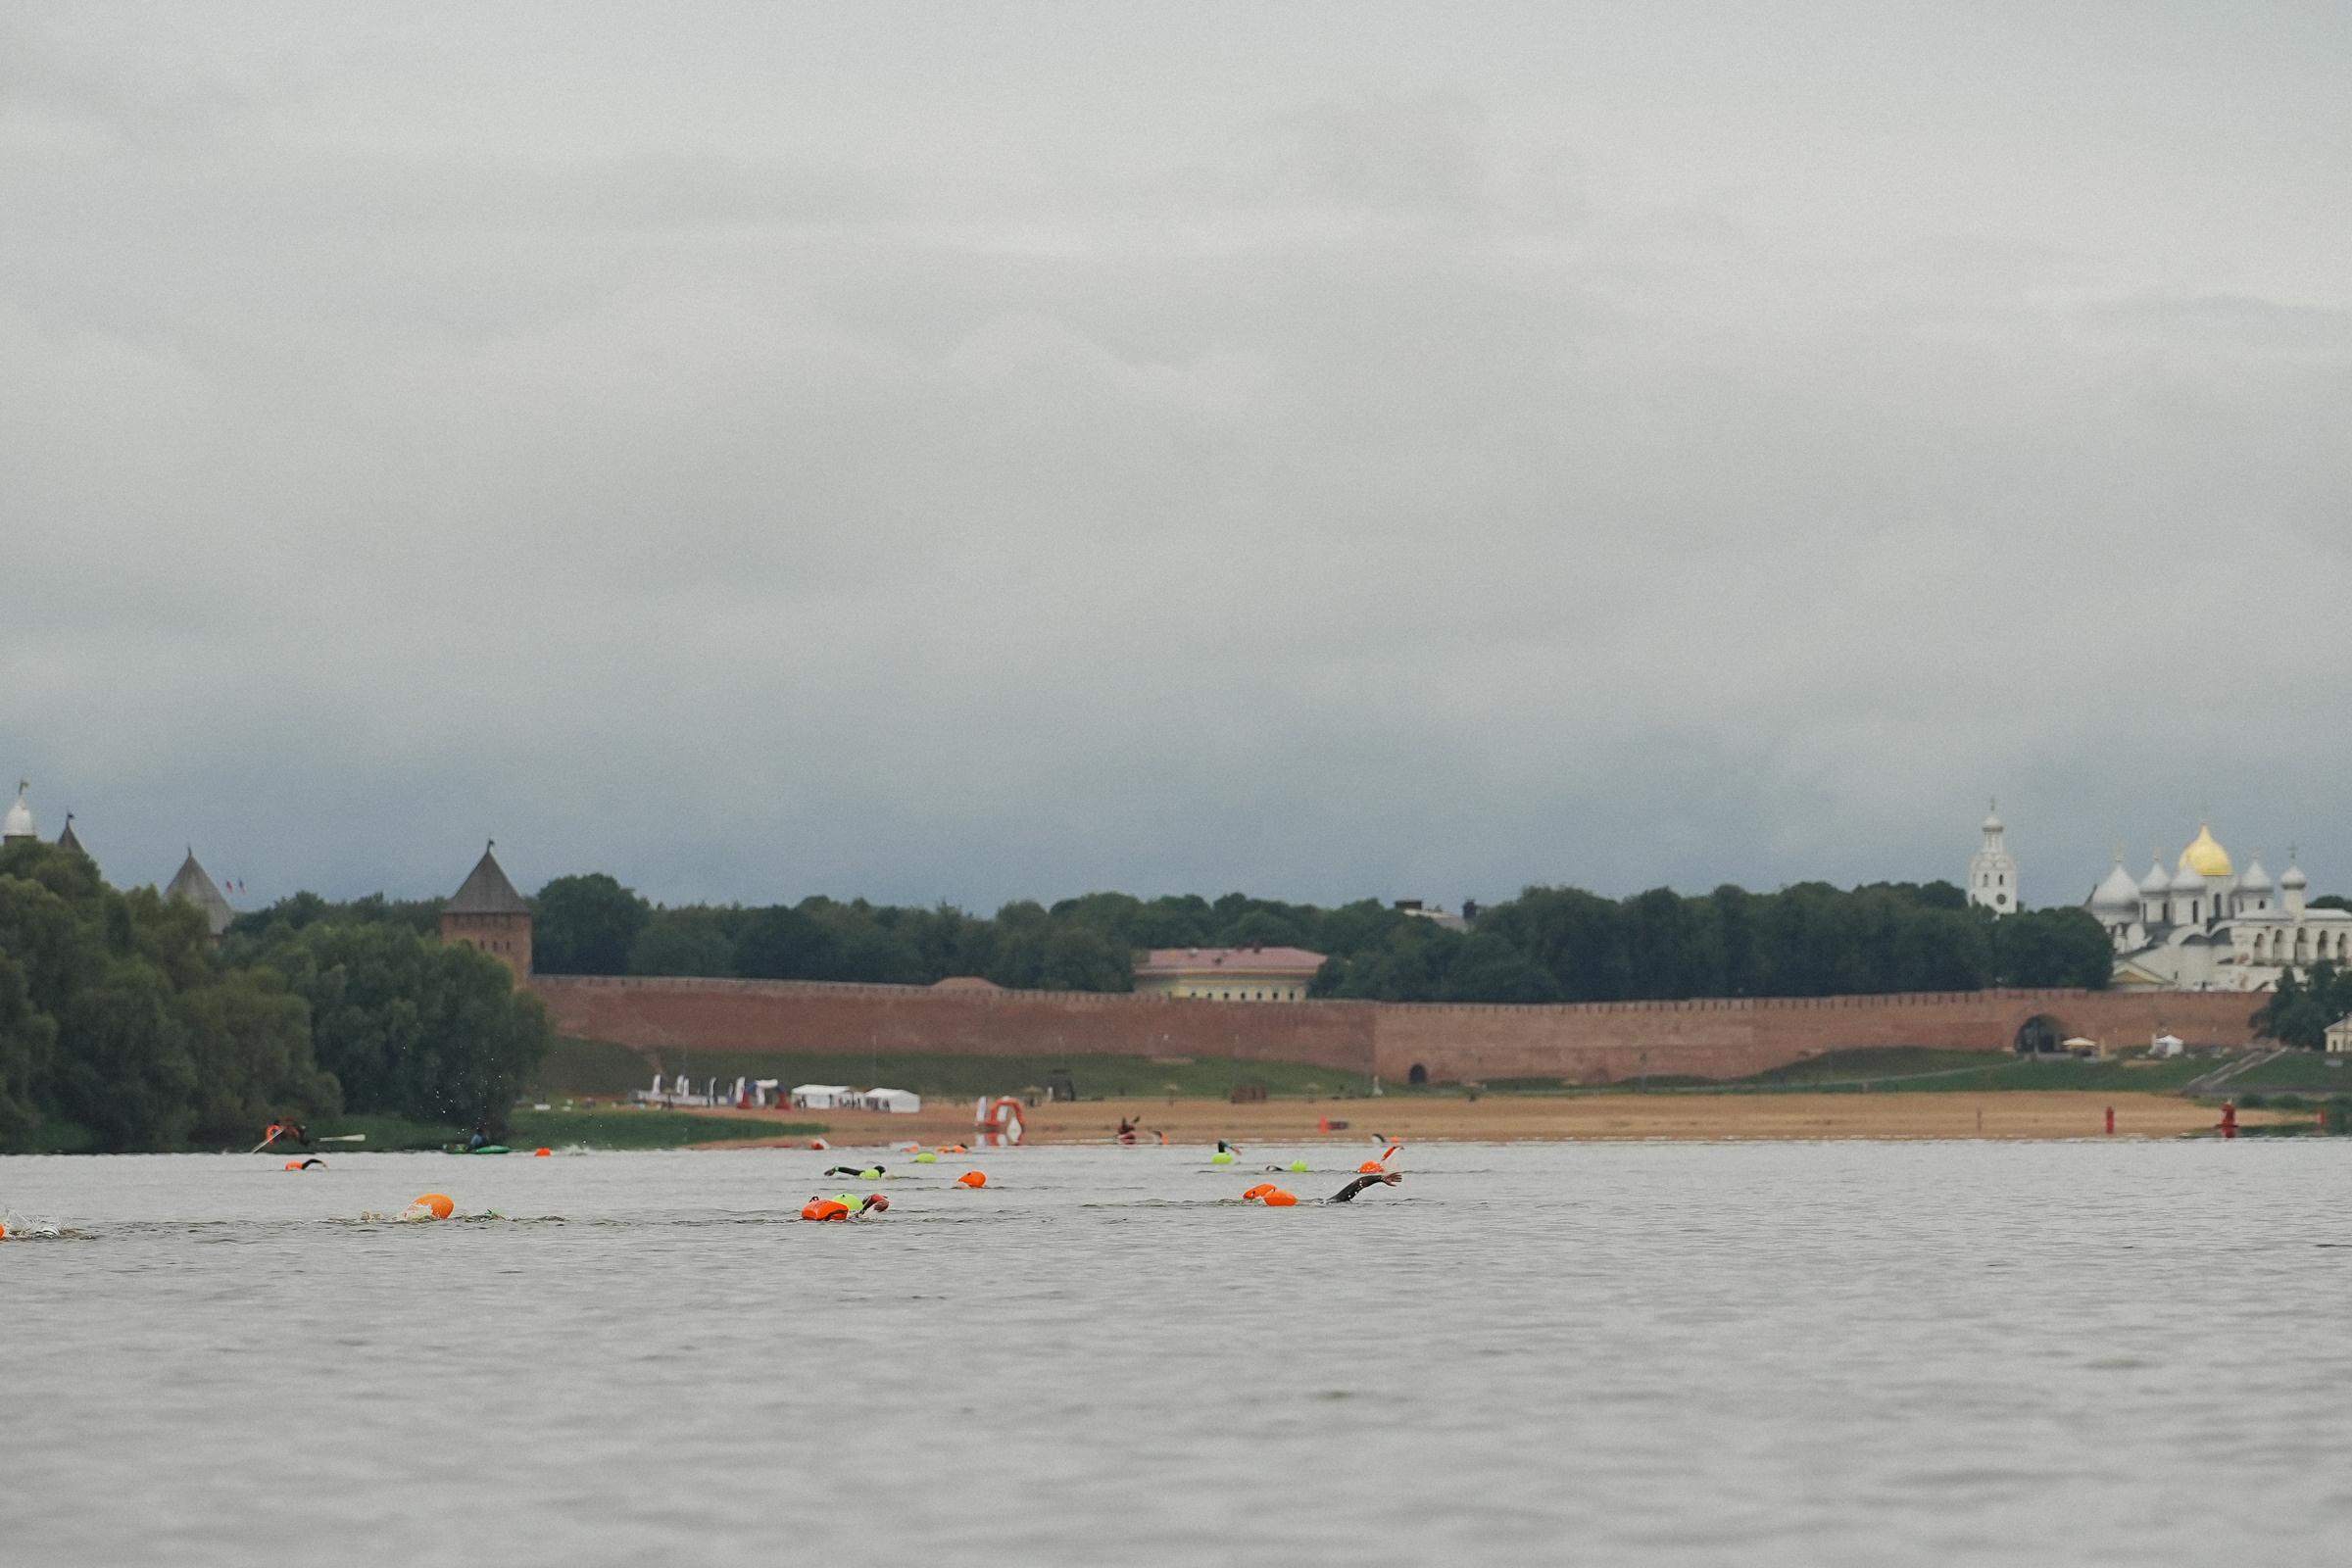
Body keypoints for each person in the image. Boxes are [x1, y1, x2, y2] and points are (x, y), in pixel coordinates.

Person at [1330, 1172, 1402, 1202]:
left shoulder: (1331, 1202)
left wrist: (1380, 1178)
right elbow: (1359, 1183)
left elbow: (1359, 1183)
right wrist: (1379, 1178)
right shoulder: (1332, 1202)